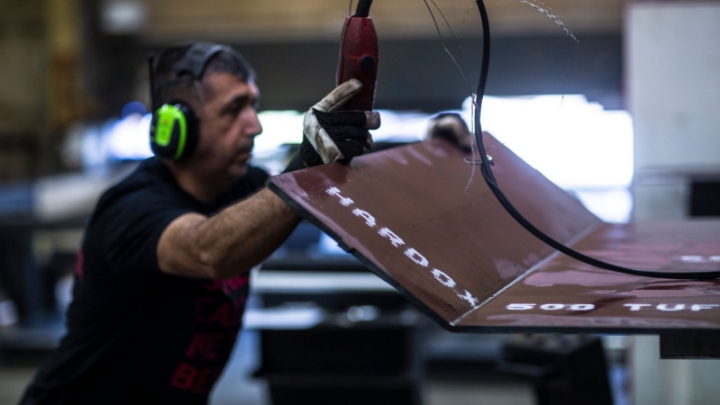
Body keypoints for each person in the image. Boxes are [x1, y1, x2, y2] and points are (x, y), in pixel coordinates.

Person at [20, 42, 379, 404]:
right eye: (234, 109)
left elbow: (341, 203)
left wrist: (432, 154)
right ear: (176, 127)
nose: (254, 126)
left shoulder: (244, 186)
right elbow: (206, 251)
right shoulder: (131, 208)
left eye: (252, 105)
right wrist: (306, 169)